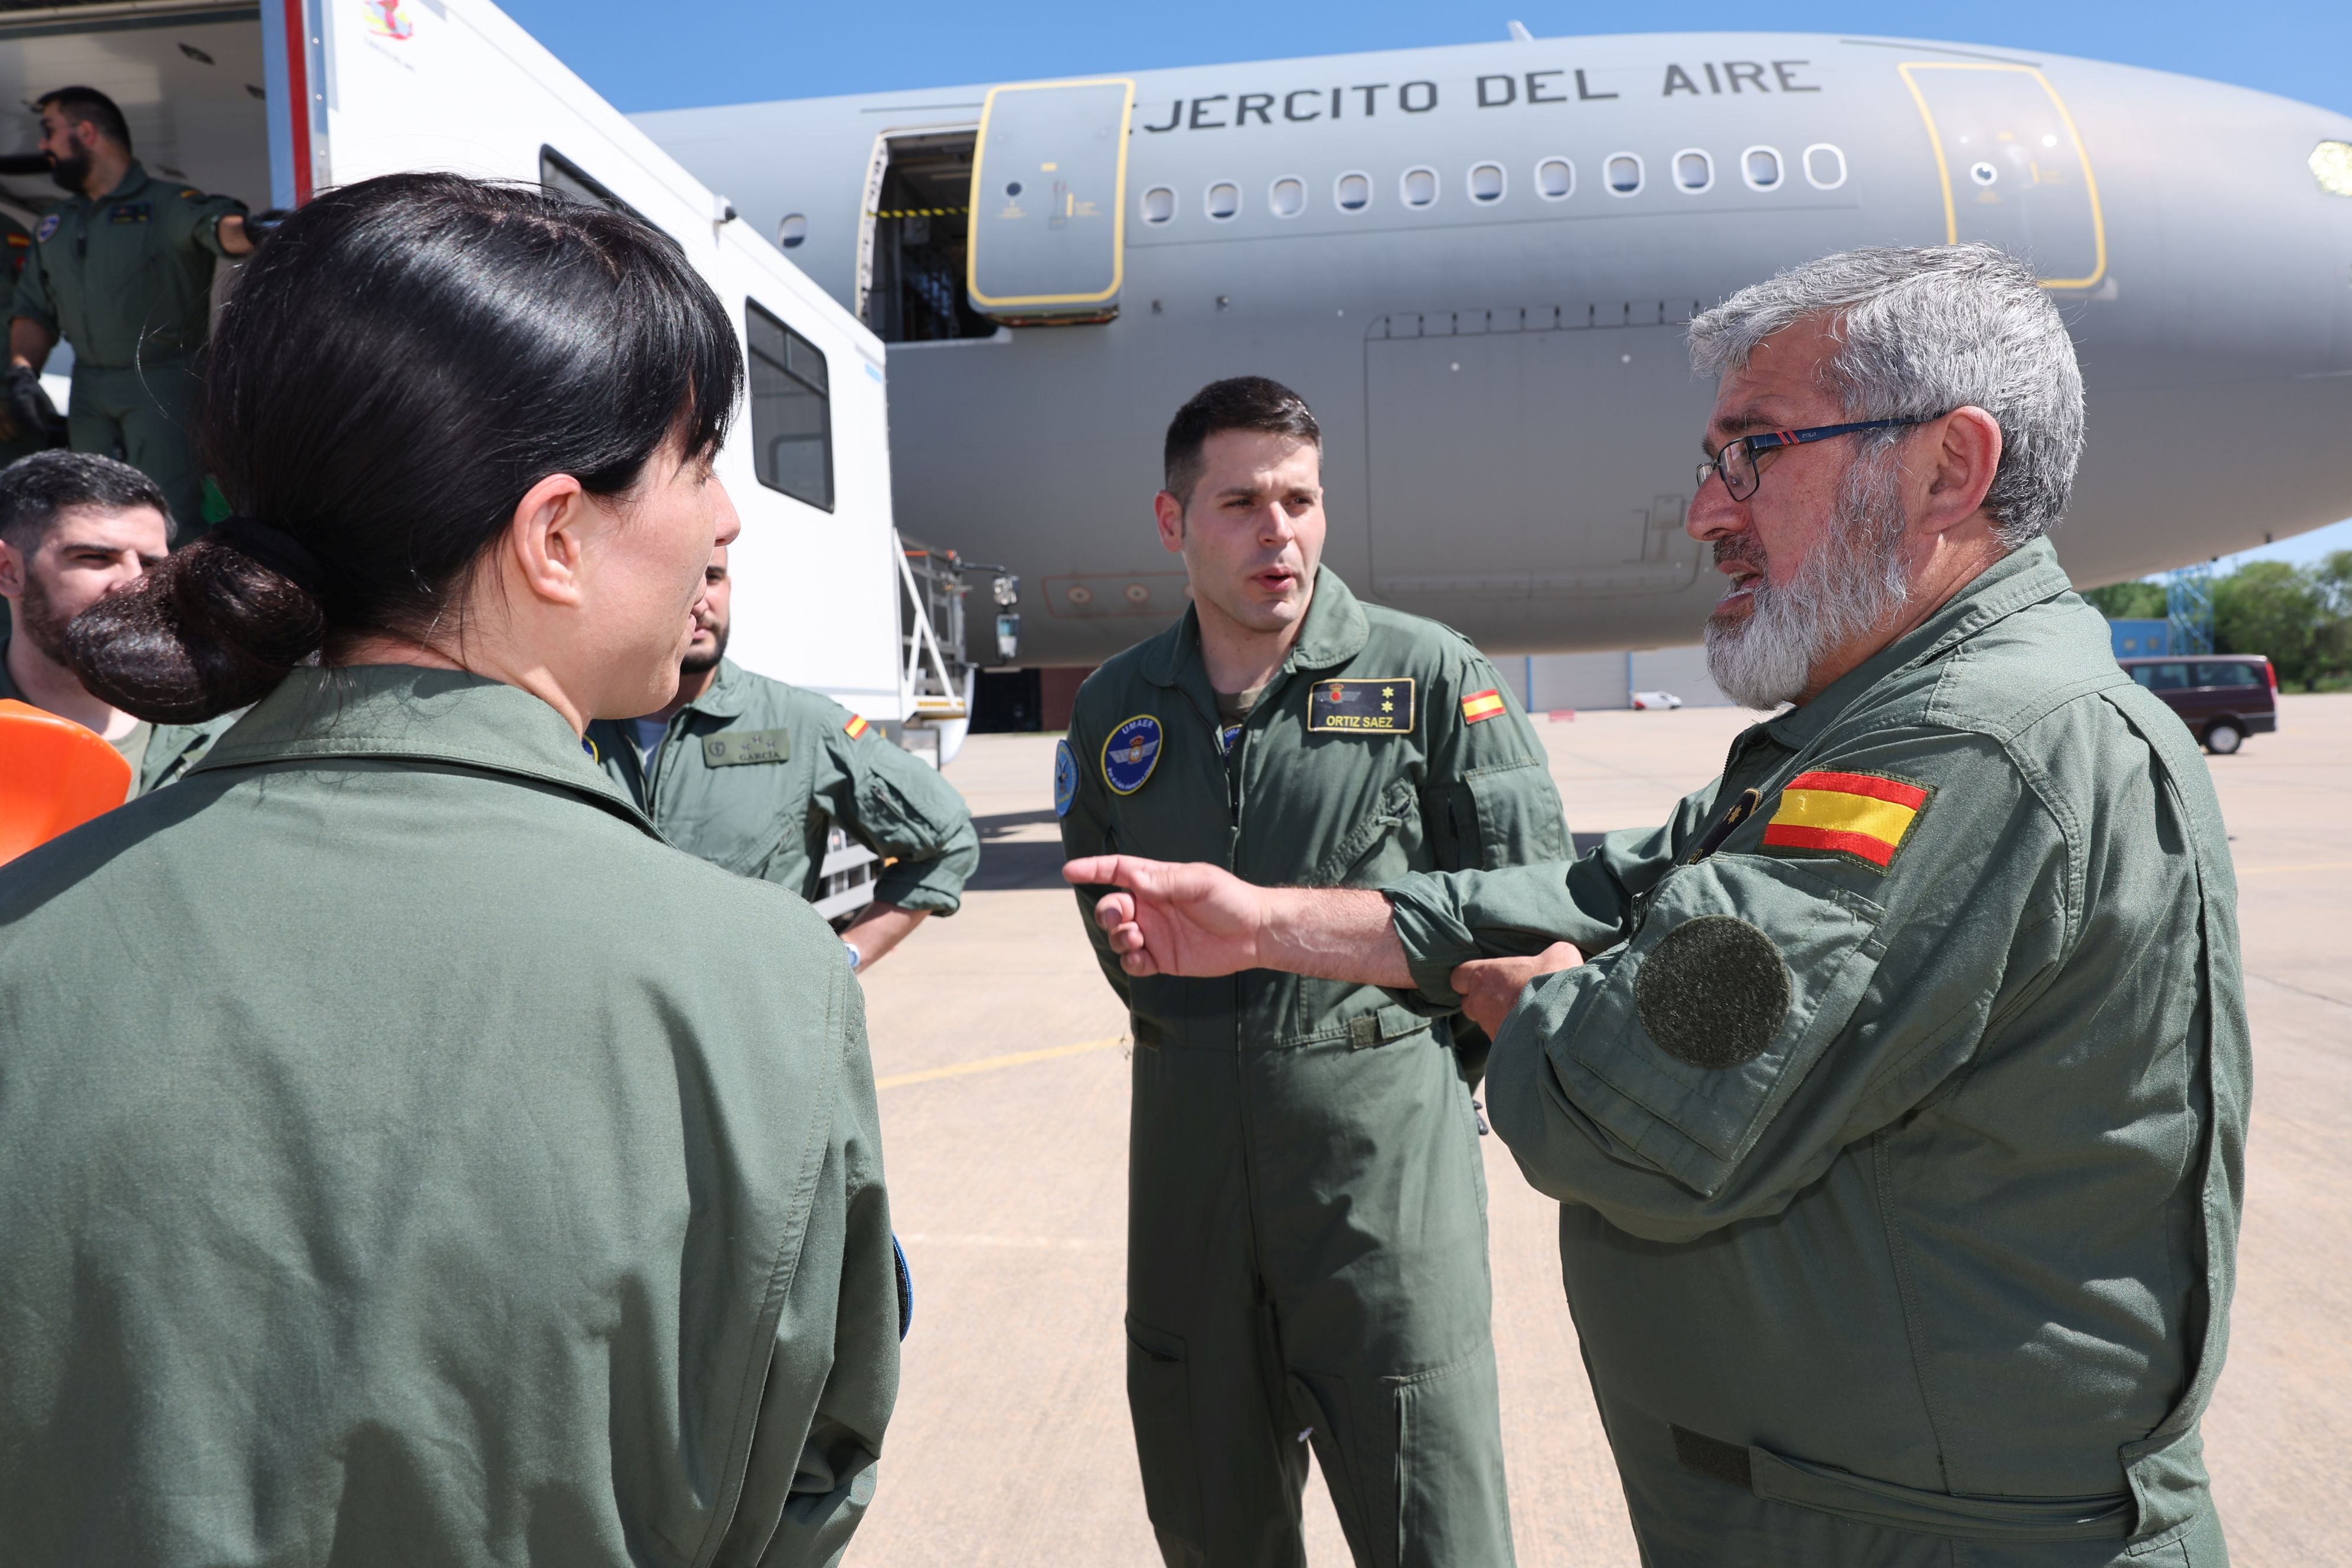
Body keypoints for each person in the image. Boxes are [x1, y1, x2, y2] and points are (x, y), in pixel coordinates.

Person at [1069, 248, 2247, 1566]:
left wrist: (1536, 1020)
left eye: (1754, 453)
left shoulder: (1959, 750)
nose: (1703, 510)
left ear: (1945, 469)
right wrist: (1266, 922)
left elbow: (1642, 1097)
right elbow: (1601, 885)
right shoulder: (1867, 722)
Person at [0, 173, 898, 1564]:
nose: (728, 523)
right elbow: (800, 1484)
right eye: (699, 459)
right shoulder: (758, 985)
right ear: (552, 535)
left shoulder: (27, 931)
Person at [1060, 377, 1569, 1567]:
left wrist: (1395, 1061)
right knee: (1207, 1506)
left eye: (1300, 499)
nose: (1277, 530)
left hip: (1376, 1169)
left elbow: (1530, 906)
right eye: (1239, 501)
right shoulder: (1115, 704)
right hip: (1185, 1158)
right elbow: (1110, 916)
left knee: (1429, 1509)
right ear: (1172, 520)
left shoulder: (1431, 676)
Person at [587, 540, 978, 971]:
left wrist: (842, 960)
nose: (701, 597)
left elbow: (948, 840)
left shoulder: (803, 725)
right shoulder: (570, 721)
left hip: (743, 1033)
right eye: (680, 576)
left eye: (713, 577)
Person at [7, 86, 265, 539]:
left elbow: (219, 229)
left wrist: (253, 230)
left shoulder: (166, 204)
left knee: (171, 521)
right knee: (91, 524)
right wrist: (22, 373)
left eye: (50, 131)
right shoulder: (57, 224)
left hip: (164, 383)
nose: (43, 145)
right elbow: (34, 310)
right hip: (90, 391)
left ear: (86, 133)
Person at [0, 448, 231, 793]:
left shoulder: (223, 741)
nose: (135, 585)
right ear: (9, 571)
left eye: (152, 565)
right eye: (96, 557)